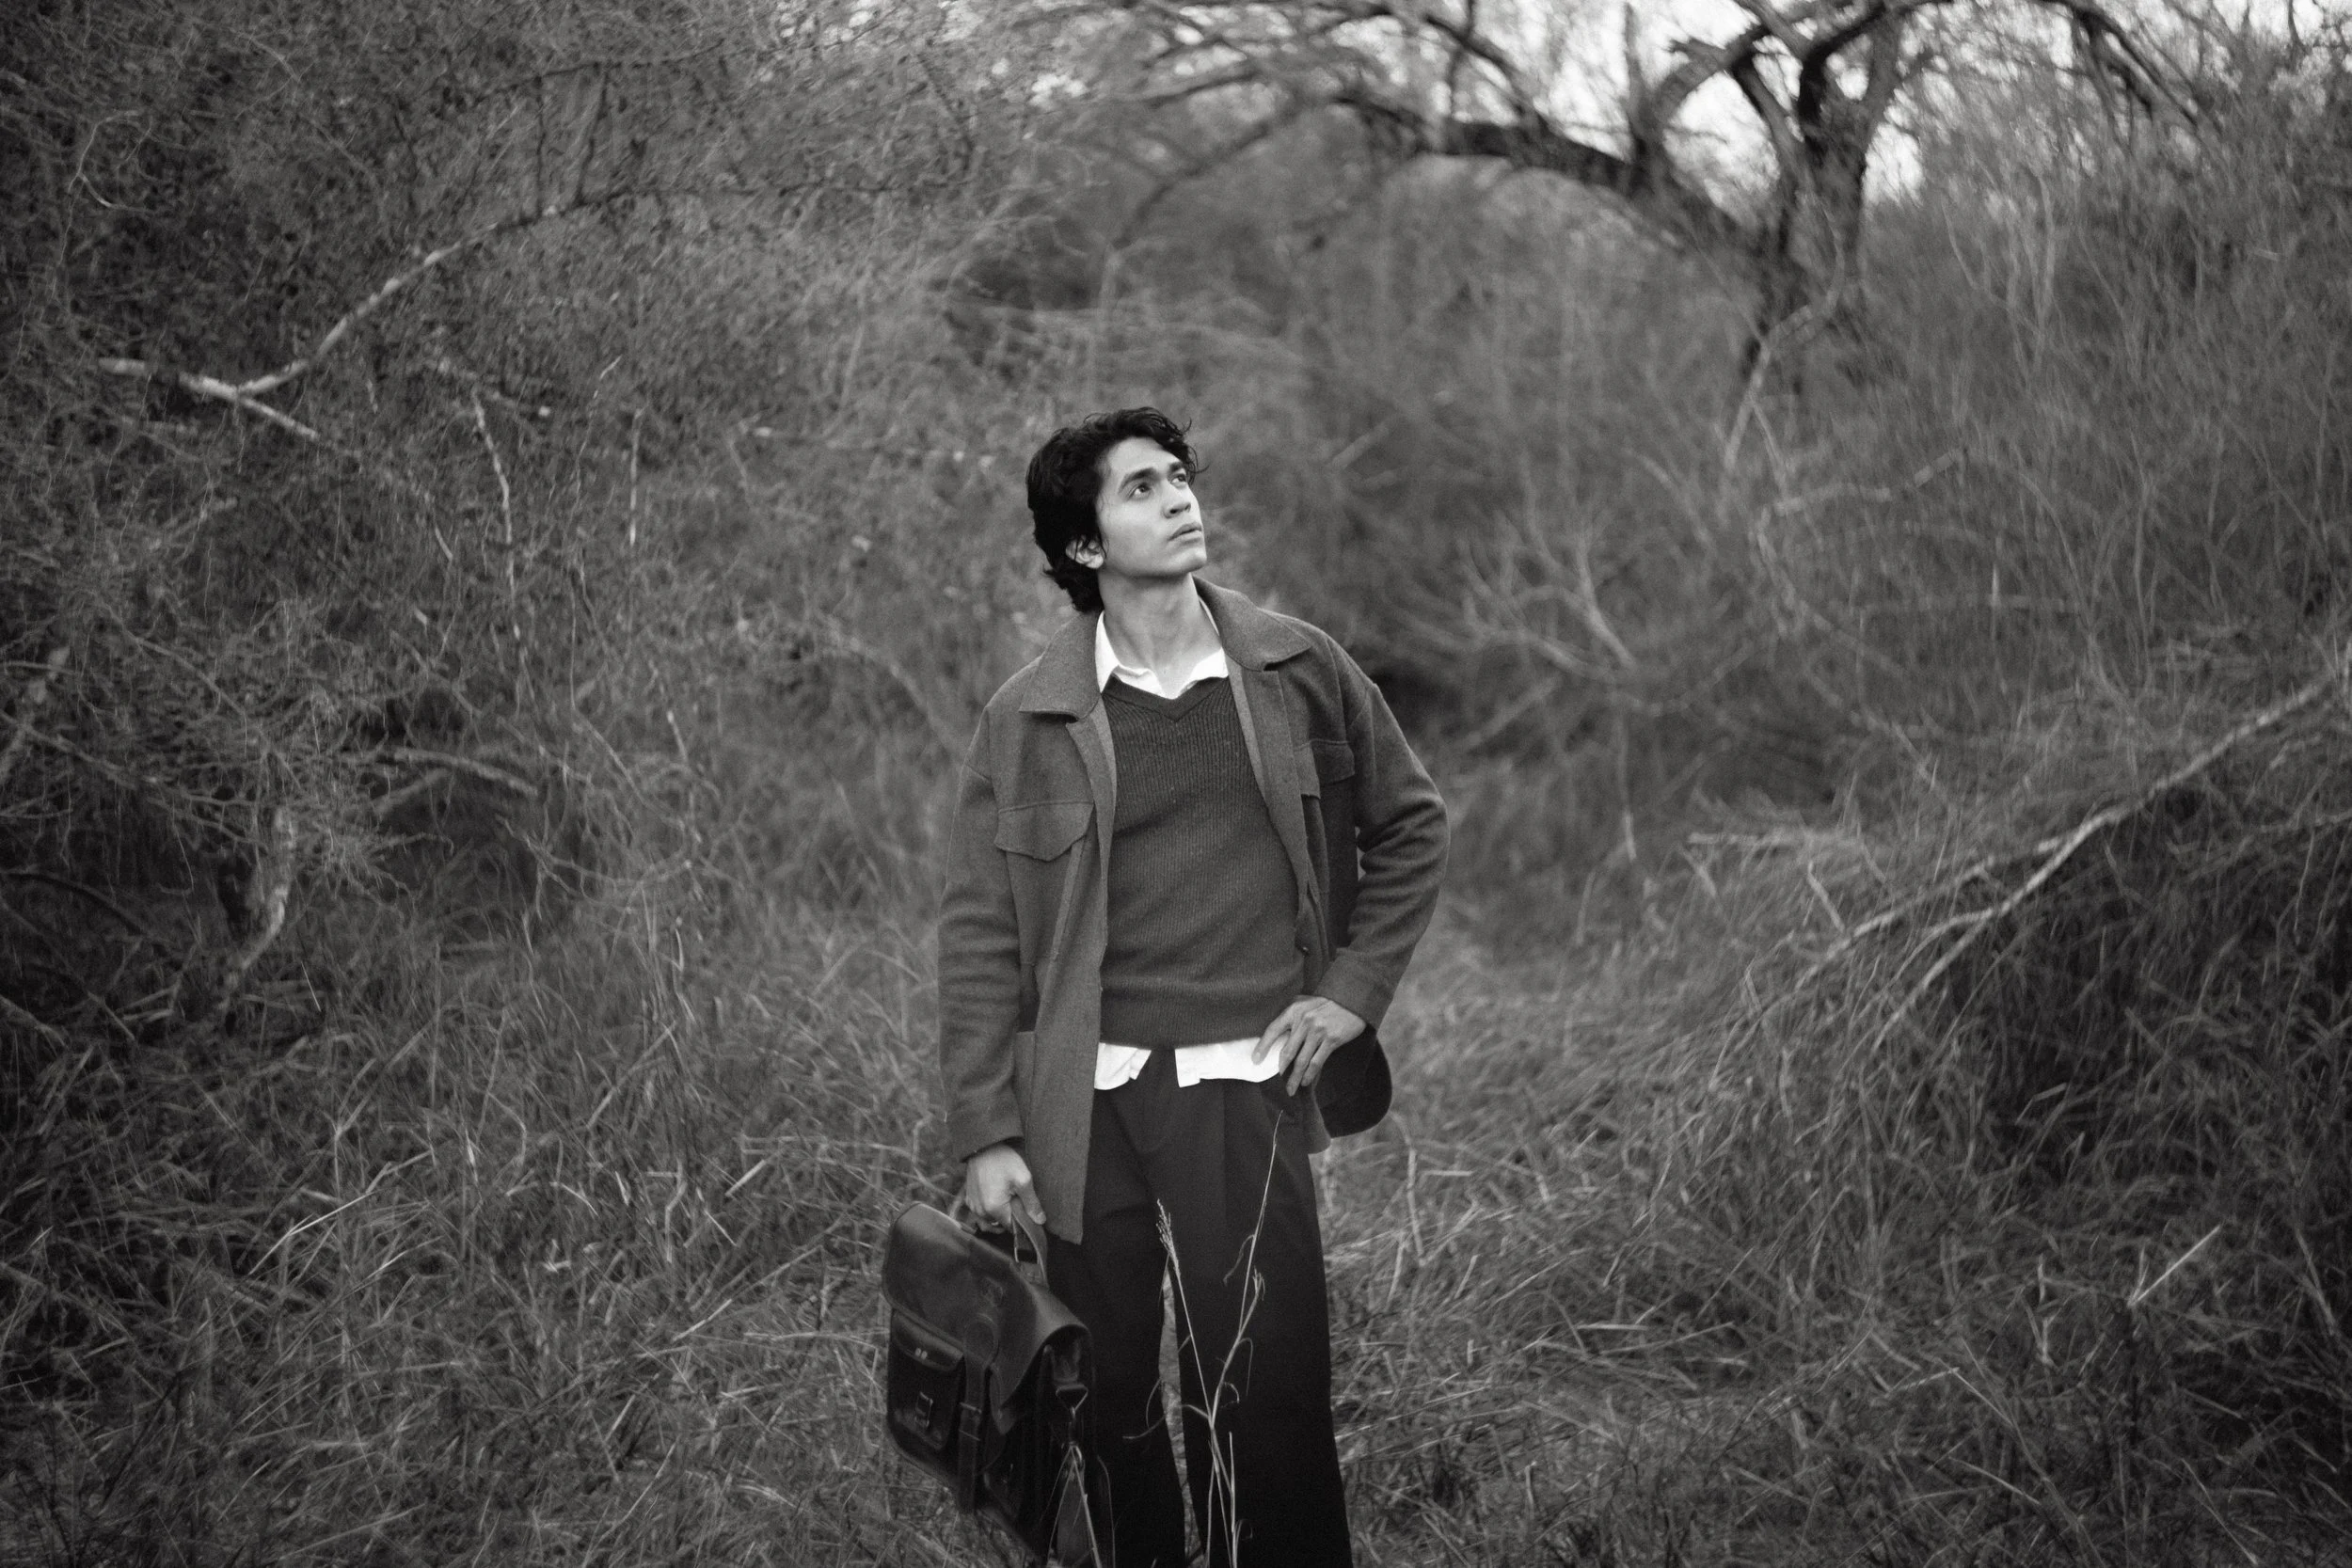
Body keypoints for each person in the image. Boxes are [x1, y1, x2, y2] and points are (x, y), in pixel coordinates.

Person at [937, 407, 1449, 1568]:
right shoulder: (1026, 718)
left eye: (1179, 477)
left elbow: (1411, 824)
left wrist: (1352, 993)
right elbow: (977, 930)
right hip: (1086, 1104)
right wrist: (988, 1128)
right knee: (1107, 1400)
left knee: (1261, 1392)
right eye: (1140, 489)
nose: (1178, 499)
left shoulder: (1295, 667)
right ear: (1082, 546)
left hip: (1240, 1082)